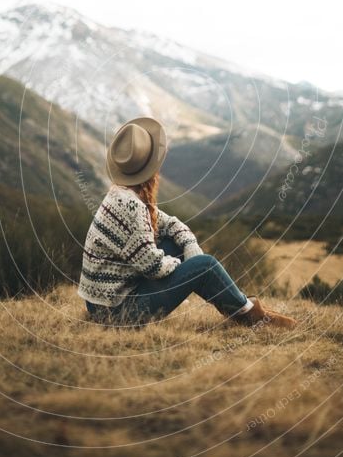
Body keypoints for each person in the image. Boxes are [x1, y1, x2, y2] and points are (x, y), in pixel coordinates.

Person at [78, 117, 297, 329]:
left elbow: (170, 223)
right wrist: (182, 264)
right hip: (116, 313)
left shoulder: (121, 194)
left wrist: (189, 244)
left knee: (176, 244)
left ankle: (241, 308)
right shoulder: (131, 206)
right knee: (205, 265)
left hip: (101, 303)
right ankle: (251, 315)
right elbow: (153, 267)